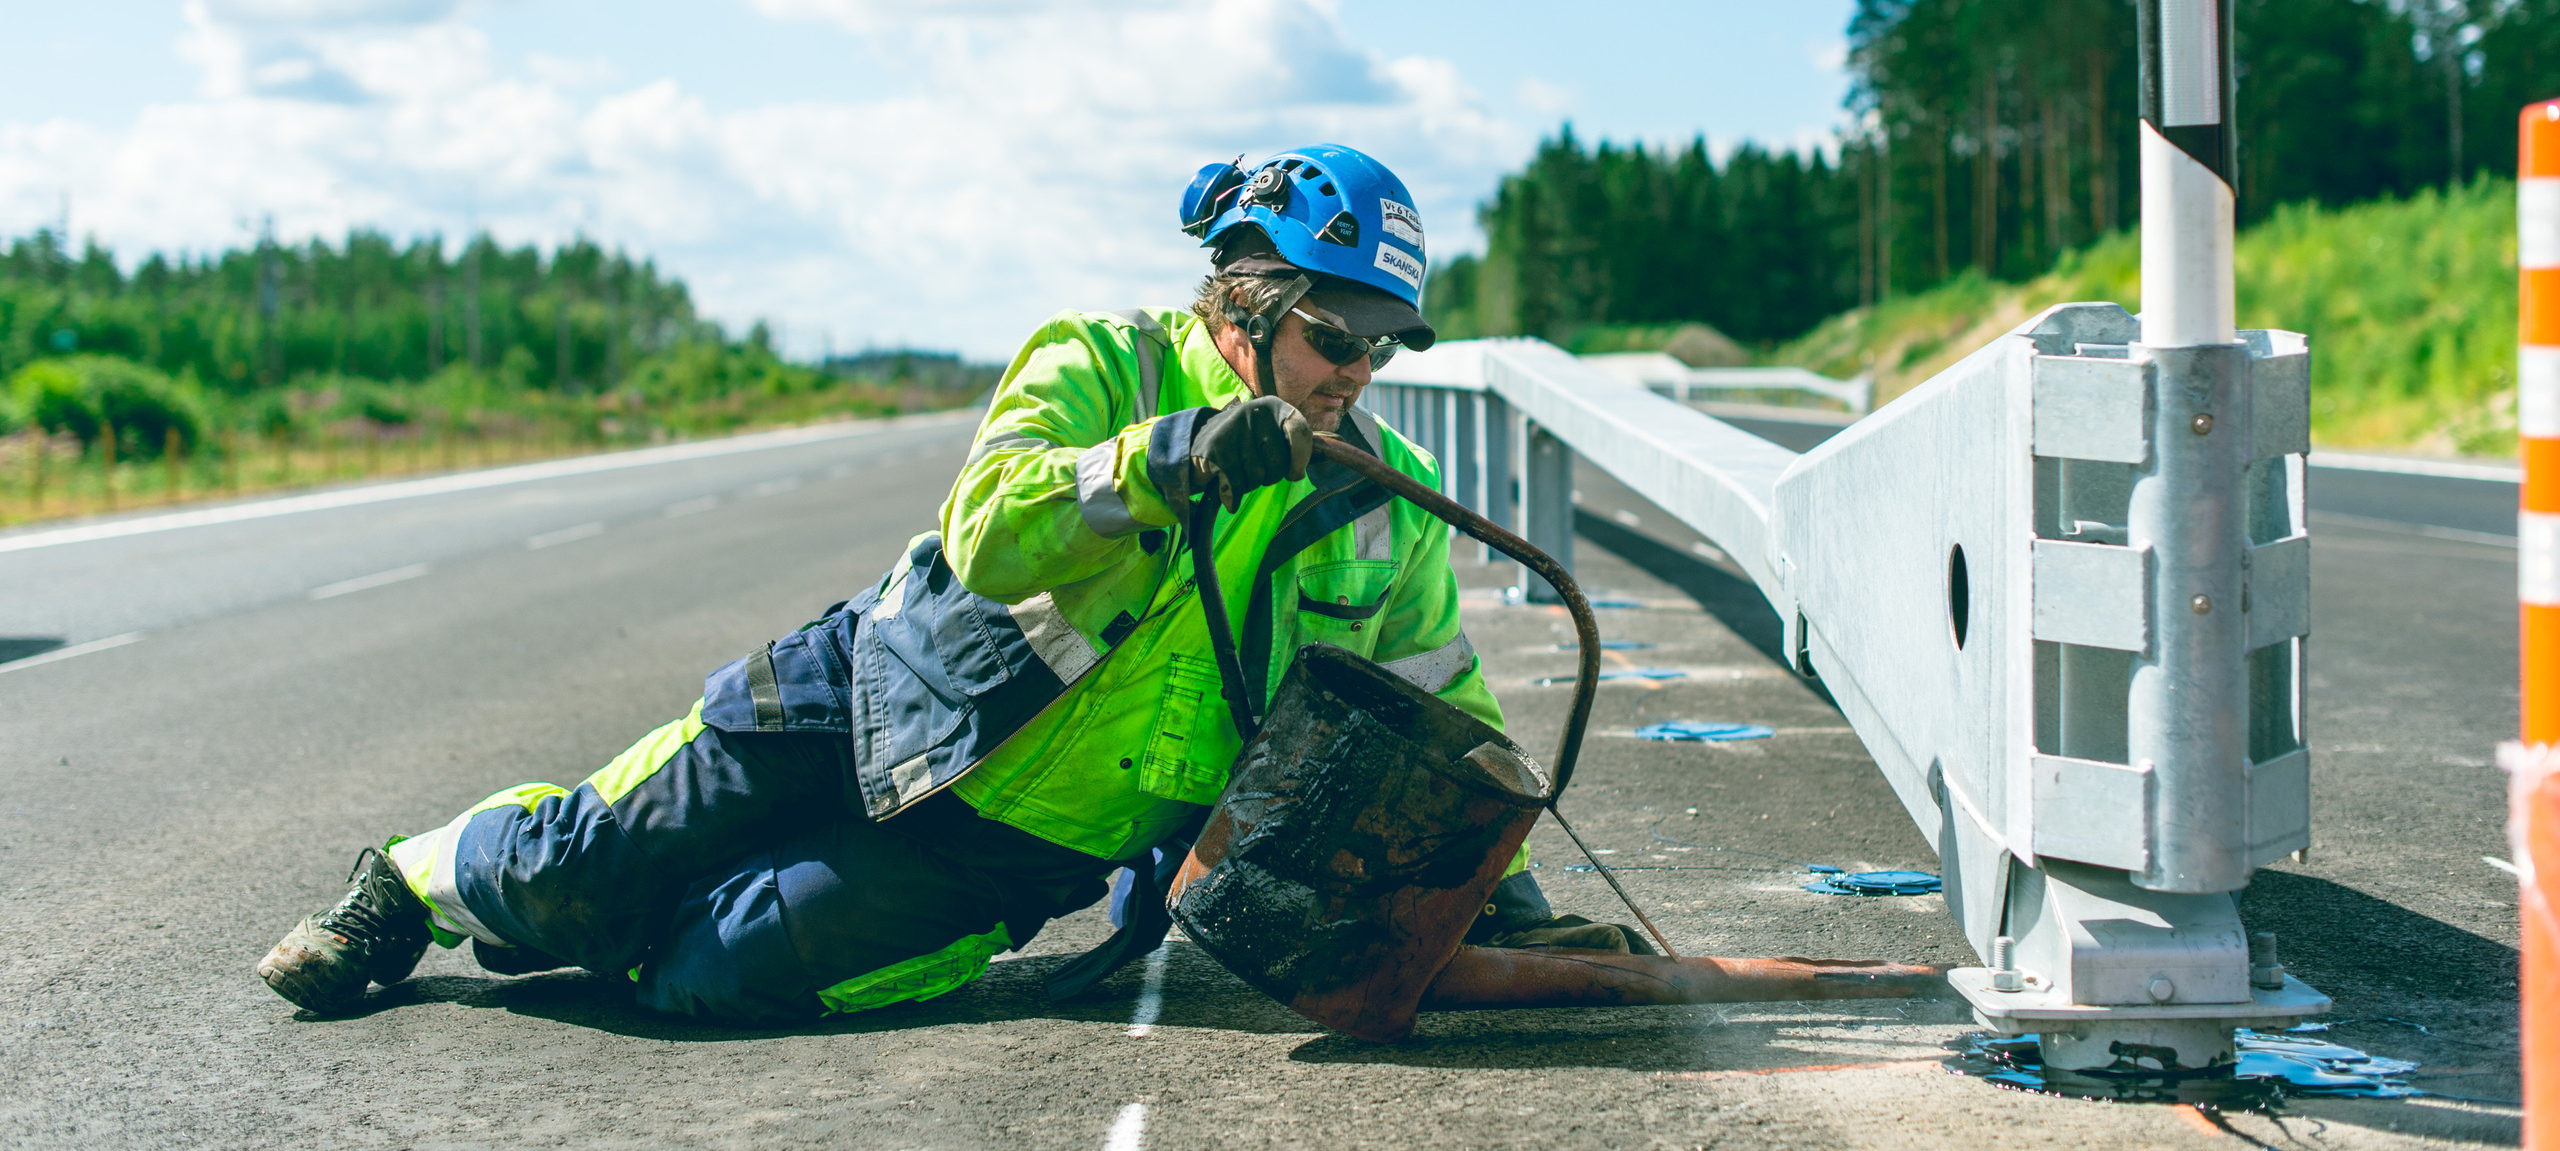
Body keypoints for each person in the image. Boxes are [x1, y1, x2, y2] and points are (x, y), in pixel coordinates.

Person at [256, 144, 1644, 1025]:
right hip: (872, 700)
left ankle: (611, 936)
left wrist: (1484, 886)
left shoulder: (1380, 499)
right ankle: (416, 884)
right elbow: (992, 526)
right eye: (1337, 334)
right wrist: (1175, 461)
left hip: (1018, 845)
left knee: (705, 981)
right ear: (1243, 302)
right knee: (581, 870)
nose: (1358, 373)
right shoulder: (1105, 363)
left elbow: (1437, 704)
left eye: (1388, 347)